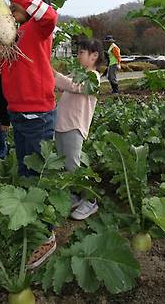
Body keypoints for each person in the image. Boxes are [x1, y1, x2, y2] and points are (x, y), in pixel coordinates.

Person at [0, 0, 58, 268]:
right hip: (19, 114)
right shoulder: (14, 34)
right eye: (11, 10)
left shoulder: (40, 30)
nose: (12, 13)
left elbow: (50, 15)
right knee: (26, 173)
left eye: (15, 9)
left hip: (39, 115)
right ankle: (33, 226)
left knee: (37, 177)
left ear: (30, 4)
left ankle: (47, 235)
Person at [53, 38, 102, 220]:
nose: (78, 56)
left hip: (75, 126)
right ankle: (74, 196)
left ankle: (90, 201)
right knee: (64, 165)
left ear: (94, 56)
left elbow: (74, 86)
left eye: (81, 52)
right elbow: (64, 86)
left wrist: (55, 74)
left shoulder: (93, 77)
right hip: (61, 123)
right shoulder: (77, 73)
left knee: (74, 166)